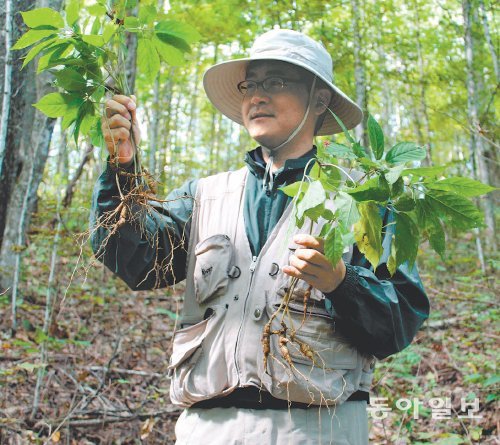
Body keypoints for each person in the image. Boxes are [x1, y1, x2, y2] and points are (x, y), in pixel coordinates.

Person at [91, 29, 430, 445]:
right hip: (208, 429)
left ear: (319, 100)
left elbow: (400, 322)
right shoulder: (204, 195)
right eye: (250, 84)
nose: (257, 95)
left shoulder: (364, 199)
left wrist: (343, 283)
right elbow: (136, 261)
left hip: (319, 429)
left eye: (276, 81)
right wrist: (121, 167)